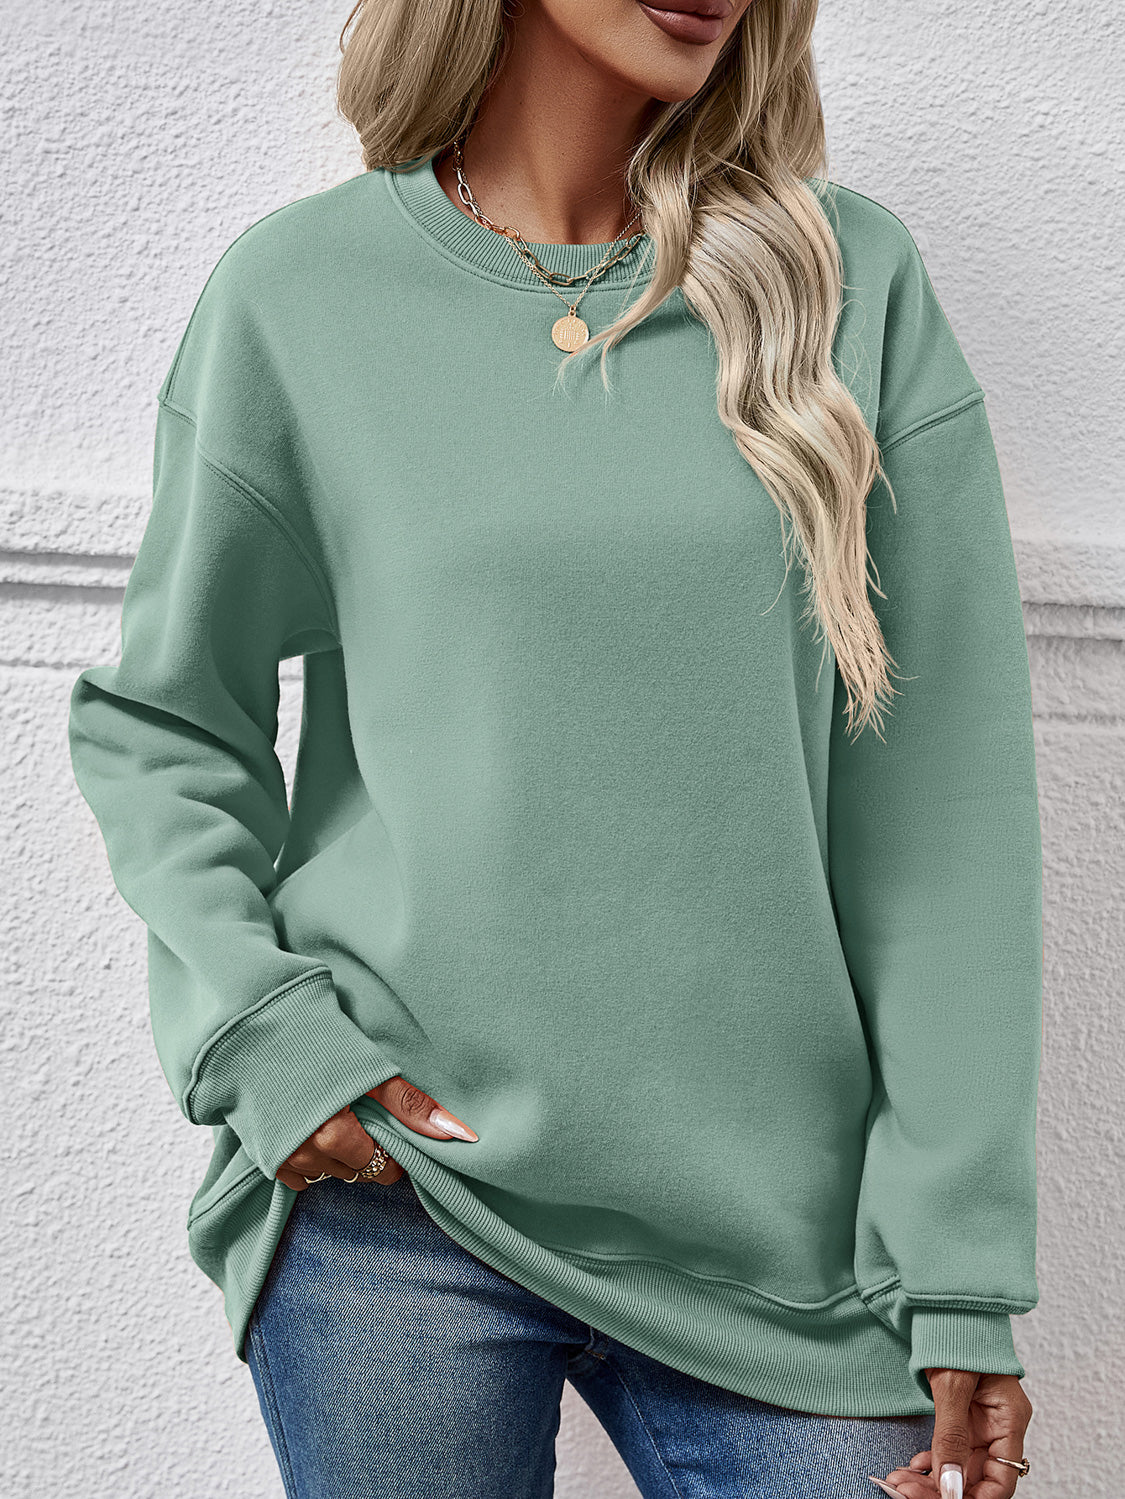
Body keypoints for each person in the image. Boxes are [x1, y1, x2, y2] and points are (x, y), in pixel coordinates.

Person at [66, 0, 1044, 1494]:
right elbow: (164, 721)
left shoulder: (851, 287)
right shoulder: (301, 297)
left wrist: (958, 1262)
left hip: (788, 1255)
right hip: (402, 1209)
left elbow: (942, 814)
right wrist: (269, 1041)